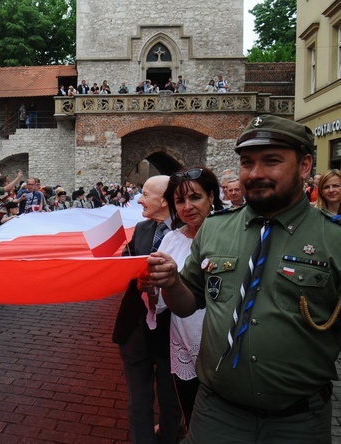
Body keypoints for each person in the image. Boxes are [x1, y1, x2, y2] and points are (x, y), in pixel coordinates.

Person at [145, 115, 341, 443]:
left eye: (272, 161)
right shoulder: (215, 228)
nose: (255, 173)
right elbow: (187, 303)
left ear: (305, 165)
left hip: (298, 421)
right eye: (247, 162)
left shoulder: (333, 238)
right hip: (216, 413)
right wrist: (172, 283)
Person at [149, 167, 224, 432]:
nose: (188, 206)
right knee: (193, 414)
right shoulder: (171, 238)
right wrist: (150, 287)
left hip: (221, 346)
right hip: (183, 341)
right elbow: (158, 304)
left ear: (212, 196)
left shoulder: (230, 236)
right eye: (180, 201)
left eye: (195, 197)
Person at [112, 175, 182, 444]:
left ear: (164, 200)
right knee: (138, 400)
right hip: (136, 327)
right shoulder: (141, 229)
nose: (138, 199)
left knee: (170, 398)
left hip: (171, 329)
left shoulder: (190, 232)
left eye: (145, 194)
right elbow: (125, 266)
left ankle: (168, 436)